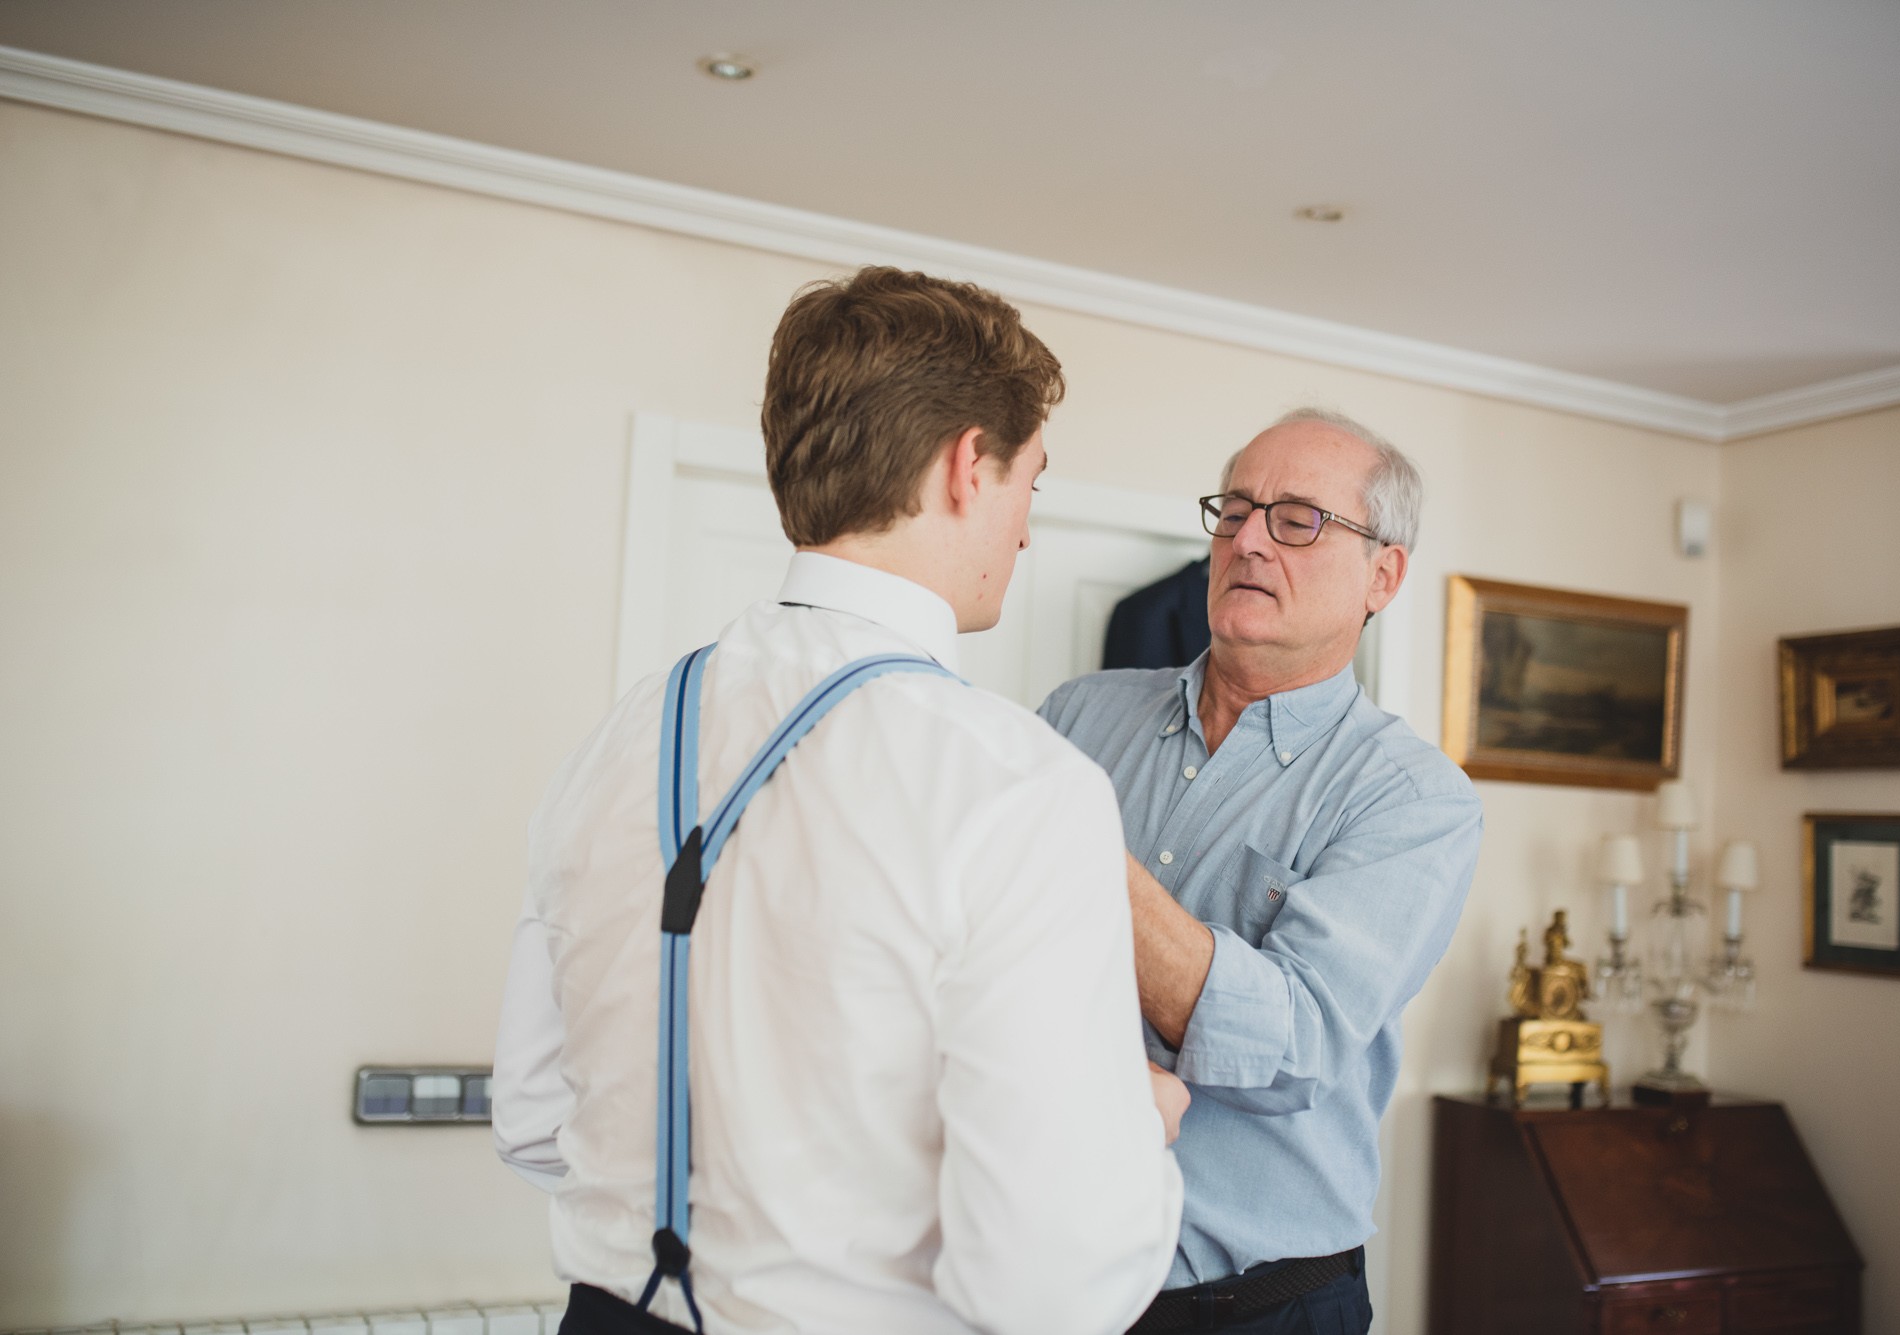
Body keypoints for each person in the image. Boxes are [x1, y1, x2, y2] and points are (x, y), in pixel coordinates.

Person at [494, 266, 1185, 1335]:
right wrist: (1135, 1126)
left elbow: (537, 1120)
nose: (1025, 532)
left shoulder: (621, 735)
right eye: (1028, 485)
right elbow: (1049, 1284)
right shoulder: (1015, 782)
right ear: (968, 465)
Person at [1038, 408, 1484, 1334]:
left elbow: (1293, 1041)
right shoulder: (1077, 717)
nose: (1246, 539)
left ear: (1383, 574)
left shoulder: (1413, 799)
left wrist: (1074, 846)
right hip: (1044, 1275)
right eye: (1235, 508)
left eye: (1297, 518)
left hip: (1257, 1308)